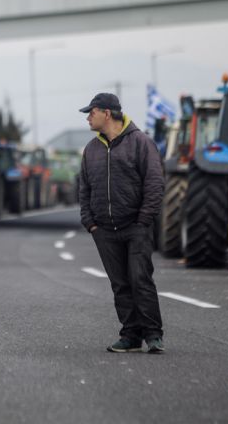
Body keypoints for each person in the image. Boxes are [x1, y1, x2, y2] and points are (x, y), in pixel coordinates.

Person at [78, 93, 165, 354]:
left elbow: (154, 183)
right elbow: (84, 188)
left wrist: (144, 219)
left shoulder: (140, 143)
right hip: (104, 229)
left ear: (107, 113)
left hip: (135, 226)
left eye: (91, 112)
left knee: (140, 279)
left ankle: (153, 335)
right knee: (120, 284)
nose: (88, 117)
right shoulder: (91, 149)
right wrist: (90, 222)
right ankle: (130, 335)